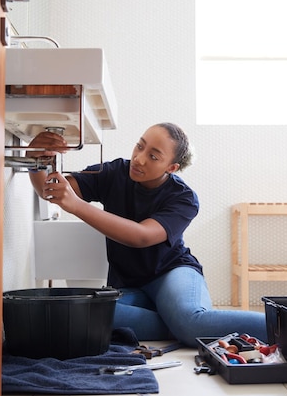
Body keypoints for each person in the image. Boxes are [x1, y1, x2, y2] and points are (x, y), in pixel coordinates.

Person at [26, 123, 267, 347]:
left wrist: (77, 206)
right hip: (130, 283)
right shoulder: (115, 172)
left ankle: (284, 323)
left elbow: (141, 236)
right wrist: (35, 158)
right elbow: (50, 191)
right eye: (140, 146)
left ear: (171, 168)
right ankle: (177, 323)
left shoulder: (183, 198)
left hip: (172, 272)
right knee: (86, 315)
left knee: (190, 321)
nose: (139, 159)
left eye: (153, 156)